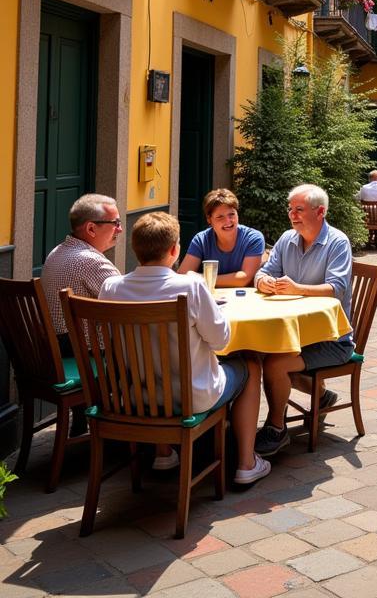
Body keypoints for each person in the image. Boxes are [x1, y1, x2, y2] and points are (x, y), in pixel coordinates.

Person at [99, 212, 270, 485]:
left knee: (154, 363)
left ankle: (164, 452)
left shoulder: (111, 287)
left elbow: (109, 339)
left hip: (136, 397)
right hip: (192, 397)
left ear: (135, 248)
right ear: (174, 249)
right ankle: (247, 463)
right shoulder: (190, 286)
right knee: (249, 363)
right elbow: (221, 341)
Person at [253, 184, 354, 457]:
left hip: (331, 339)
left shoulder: (337, 242)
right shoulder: (288, 239)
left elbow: (337, 288)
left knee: (275, 362)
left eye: (299, 209)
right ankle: (321, 397)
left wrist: (298, 288)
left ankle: (276, 429)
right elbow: (263, 272)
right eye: (290, 209)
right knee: (255, 352)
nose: (292, 215)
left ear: (320, 212)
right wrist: (264, 281)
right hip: (296, 333)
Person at [41, 193, 122, 358]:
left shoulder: (57, 252)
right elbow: (132, 306)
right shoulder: (92, 262)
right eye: (115, 223)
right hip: (88, 356)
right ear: (91, 228)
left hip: (55, 351)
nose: (120, 229)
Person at [177, 188, 265, 288]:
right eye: (220, 217)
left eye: (231, 214)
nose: (228, 221)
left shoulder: (253, 238)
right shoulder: (201, 240)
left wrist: (202, 278)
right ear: (209, 219)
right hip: (209, 298)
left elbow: (244, 278)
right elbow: (183, 274)